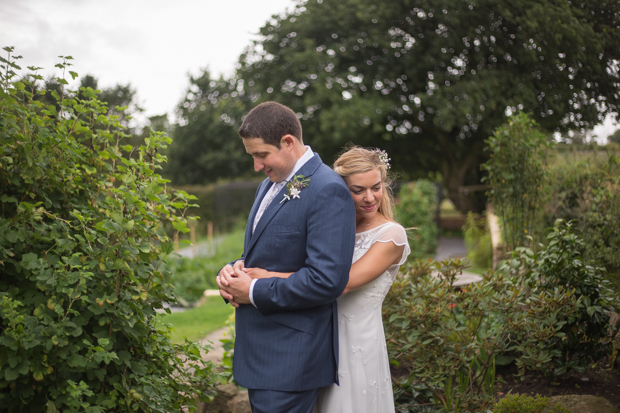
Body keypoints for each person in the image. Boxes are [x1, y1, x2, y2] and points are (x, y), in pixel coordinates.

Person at [244, 146, 411, 412]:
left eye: (376, 187)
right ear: (340, 189)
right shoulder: (331, 228)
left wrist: (268, 277)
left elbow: (338, 282)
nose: (370, 198)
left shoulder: (391, 236)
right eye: (358, 190)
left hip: (357, 344)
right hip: (316, 340)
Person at [216, 101, 356, 413]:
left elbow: (326, 280)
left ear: (288, 142)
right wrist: (232, 271)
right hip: (263, 356)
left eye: (261, 154)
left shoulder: (327, 188)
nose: (256, 165)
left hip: (291, 358)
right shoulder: (269, 186)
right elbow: (264, 252)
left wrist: (251, 291)